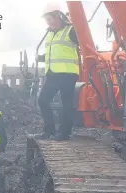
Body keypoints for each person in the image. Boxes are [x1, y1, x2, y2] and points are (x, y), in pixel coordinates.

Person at [35, 4, 80, 141]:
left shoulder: (71, 30)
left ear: (58, 16)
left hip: (68, 74)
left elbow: (82, 44)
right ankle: (49, 130)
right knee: (43, 100)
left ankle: (64, 133)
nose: (48, 22)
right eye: (46, 19)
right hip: (53, 73)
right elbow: (54, 52)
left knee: (66, 103)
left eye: (50, 18)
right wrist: (41, 58)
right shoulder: (49, 33)